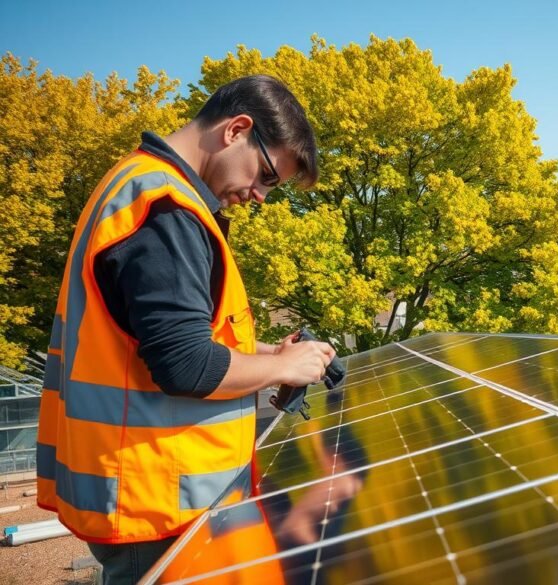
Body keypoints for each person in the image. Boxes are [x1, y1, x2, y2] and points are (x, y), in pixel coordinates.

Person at [35, 75, 336, 584]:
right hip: (153, 499)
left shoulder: (143, 186)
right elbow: (185, 366)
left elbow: (162, 337)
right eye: (266, 175)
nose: (261, 196)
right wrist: (283, 367)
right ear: (236, 129)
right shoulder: (165, 210)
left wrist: (265, 352)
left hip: (150, 488)